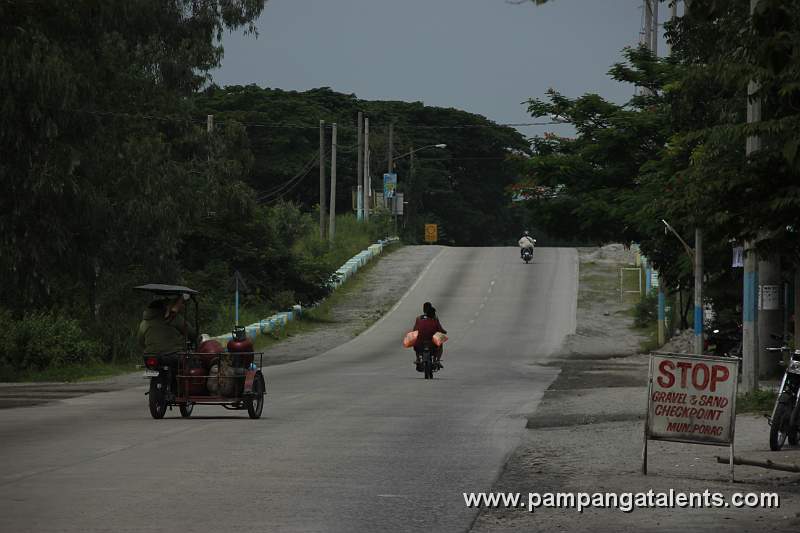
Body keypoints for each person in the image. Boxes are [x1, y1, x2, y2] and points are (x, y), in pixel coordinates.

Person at [138, 295, 197, 388]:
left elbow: (141, 341)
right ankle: (180, 388)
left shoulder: (144, 322)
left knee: (154, 369)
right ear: (164, 308)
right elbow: (191, 333)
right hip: (173, 355)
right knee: (188, 365)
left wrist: (149, 349)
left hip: (150, 356)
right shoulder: (174, 318)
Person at [412, 302, 447, 369]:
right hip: (432, 341)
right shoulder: (435, 319)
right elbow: (440, 329)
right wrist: (444, 332)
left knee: (416, 343)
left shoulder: (419, 318)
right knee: (440, 344)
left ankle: (418, 359)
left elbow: (415, 330)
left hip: (420, 342)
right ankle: (437, 360)